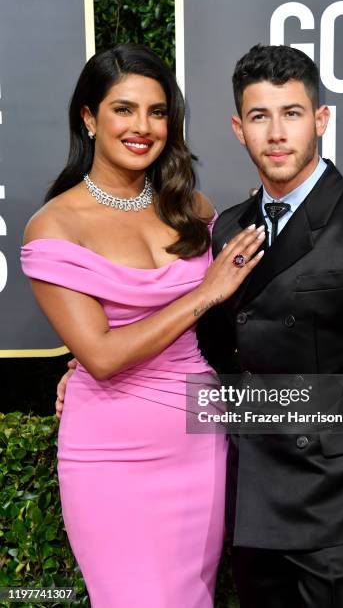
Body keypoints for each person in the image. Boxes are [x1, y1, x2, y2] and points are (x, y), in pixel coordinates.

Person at [55, 45, 343, 607]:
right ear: (239, 129)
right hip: (246, 504)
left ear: (321, 120)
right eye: (260, 117)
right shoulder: (226, 227)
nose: (277, 133)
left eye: (292, 113)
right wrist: (85, 364)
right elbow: (203, 344)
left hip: (338, 515)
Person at [21, 44, 265, 608]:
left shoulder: (192, 209)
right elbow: (102, 356)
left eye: (157, 112)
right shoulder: (55, 225)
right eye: (123, 109)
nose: (143, 127)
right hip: (110, 451)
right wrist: (204, 293)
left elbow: (228, 320)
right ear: (89, 117)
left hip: (196, 436)